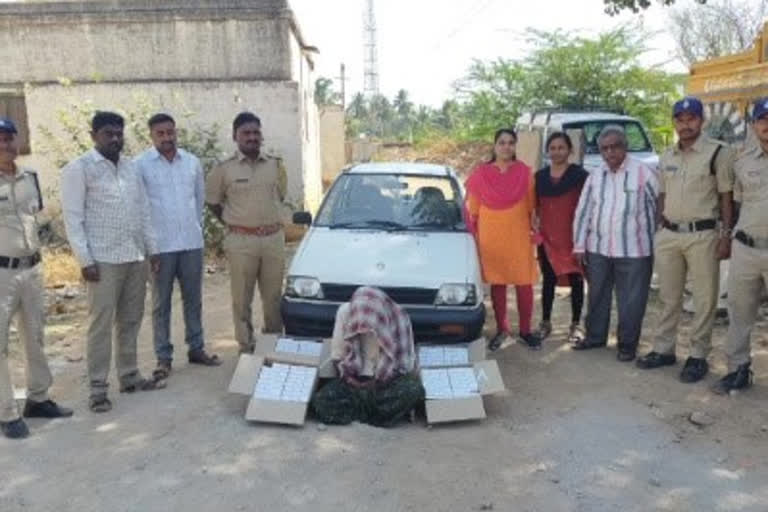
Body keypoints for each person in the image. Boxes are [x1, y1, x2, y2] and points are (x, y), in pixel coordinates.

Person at [61, 111, 164, 414]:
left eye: (119, 133)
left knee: (131, 320)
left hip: (134, 256)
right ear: (93, 135)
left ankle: (130, 376)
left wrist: (152, 249)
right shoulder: (79, 169)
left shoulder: (131, 167)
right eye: (108, 133)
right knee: (101, 325)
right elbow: (73, 219)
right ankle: (97, 389)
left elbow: (144, 210)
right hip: (102, 261)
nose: (115, 139)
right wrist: (85, 260)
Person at [636, 97, 735, 383]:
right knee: (669, 297)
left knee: (704, 299)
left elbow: (726, 199)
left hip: (703, 234)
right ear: (674, 122)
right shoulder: (667, 156)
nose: (686, 124)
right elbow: (662, 195)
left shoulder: (719, 154)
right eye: (680, 119)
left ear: (701, 121)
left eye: (691, 118)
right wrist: (659, 226)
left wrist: (725, 236)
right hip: (669, 235)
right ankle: (664, 349)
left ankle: (698, 356)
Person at [0, 118, 72, 439]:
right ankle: (6, 412)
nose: (5, 145)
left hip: (32, 269)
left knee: (35, 336)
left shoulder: (30, 178)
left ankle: (38, 399)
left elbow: (34, 216)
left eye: (9, 139)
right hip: (1, 273)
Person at [136, 113, 220, 382]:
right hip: (160, 247)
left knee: (193, 300)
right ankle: (163, 357)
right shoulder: (141, 165)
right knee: (161, 304)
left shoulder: (192, 163)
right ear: (151, 136)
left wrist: (196, 233)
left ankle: (196, 348)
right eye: (160, 133)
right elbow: (141, 209)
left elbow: (198, 201)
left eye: (170, 132)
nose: (167, 138)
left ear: (176, 133)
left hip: (190, 243)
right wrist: (150, 248)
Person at [572, 125, 659, 362]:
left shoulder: (644, 173)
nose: (610, 152)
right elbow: (584, 211)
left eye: (615, 146)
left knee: (631, 300)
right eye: (605, 148)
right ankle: (595, 337)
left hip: (635, 250)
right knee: (597, 295)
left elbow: (658, 209)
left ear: (625, 147)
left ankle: (627, 345)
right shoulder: (595, 175)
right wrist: (579, 245)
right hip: (598, 248)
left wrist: (657, 245)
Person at [205, 112, 287, 354]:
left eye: (256, 132)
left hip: (273, 239)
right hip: (241, 241)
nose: (252, 137)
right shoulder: (223, 170)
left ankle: (272, 342)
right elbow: (213, 202)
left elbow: (279, 195)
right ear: (235, 136)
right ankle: (246, 345)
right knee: (241, 299)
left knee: (273, 298)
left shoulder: (275, 165)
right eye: (246, 133)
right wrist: (235, 223)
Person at [465, 128, 541, 351]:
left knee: (523, 281)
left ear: (515, 146)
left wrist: (533, 229)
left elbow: (531, 207)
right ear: (494, 146)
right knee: (498, 281)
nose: (506, 147)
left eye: (510, 143)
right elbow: (474, 210)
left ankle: (526, 330)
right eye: (502, 142)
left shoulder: (525, 173)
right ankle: (502, 329)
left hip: (518, 233)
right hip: (492, 234)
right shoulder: (481, 174)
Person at [712, 97, 768, 394]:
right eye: (763, 119)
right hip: (746, 248)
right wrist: (726, 235)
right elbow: (735, 204)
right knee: (739, 312)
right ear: (754, 125)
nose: (767, 125)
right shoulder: (742, 161)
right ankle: (738, 369)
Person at [310, 287, 424, 427]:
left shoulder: (399, 316)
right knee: (320, 401)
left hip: (385, 383)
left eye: (369, 326)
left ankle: (362, 414)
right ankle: (378, 416)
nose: (363, 329)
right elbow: (337, 356)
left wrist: (377, 384)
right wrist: (352, 381)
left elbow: (406, 366)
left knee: (413, 389)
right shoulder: (345, 312)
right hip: (353, 382)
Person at [534, 132, 588, 344]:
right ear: (548, 151)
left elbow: (588, 206)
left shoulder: (580, 176)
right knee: (548, 279)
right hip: (548, 237)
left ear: (570, 150)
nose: (557, 152)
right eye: (553, 148)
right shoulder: (539, 177)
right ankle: (545, 322)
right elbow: (534, 207)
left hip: (573, 238)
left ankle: (576, 324)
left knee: (576, 280)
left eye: (561, 147)